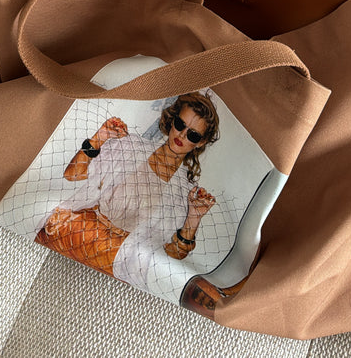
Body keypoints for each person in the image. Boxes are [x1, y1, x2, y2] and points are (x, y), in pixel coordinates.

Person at [35, 92, 219, 282]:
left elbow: (174, 254)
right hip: (80, 230)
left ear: (201, 142)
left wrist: (194, 217)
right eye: (180, 124)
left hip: (117, 259)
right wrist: (98, 139)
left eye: (193, 135)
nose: (182, 135)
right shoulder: (131, 146)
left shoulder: (185, 192)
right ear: (173, 121)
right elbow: (72, 174)